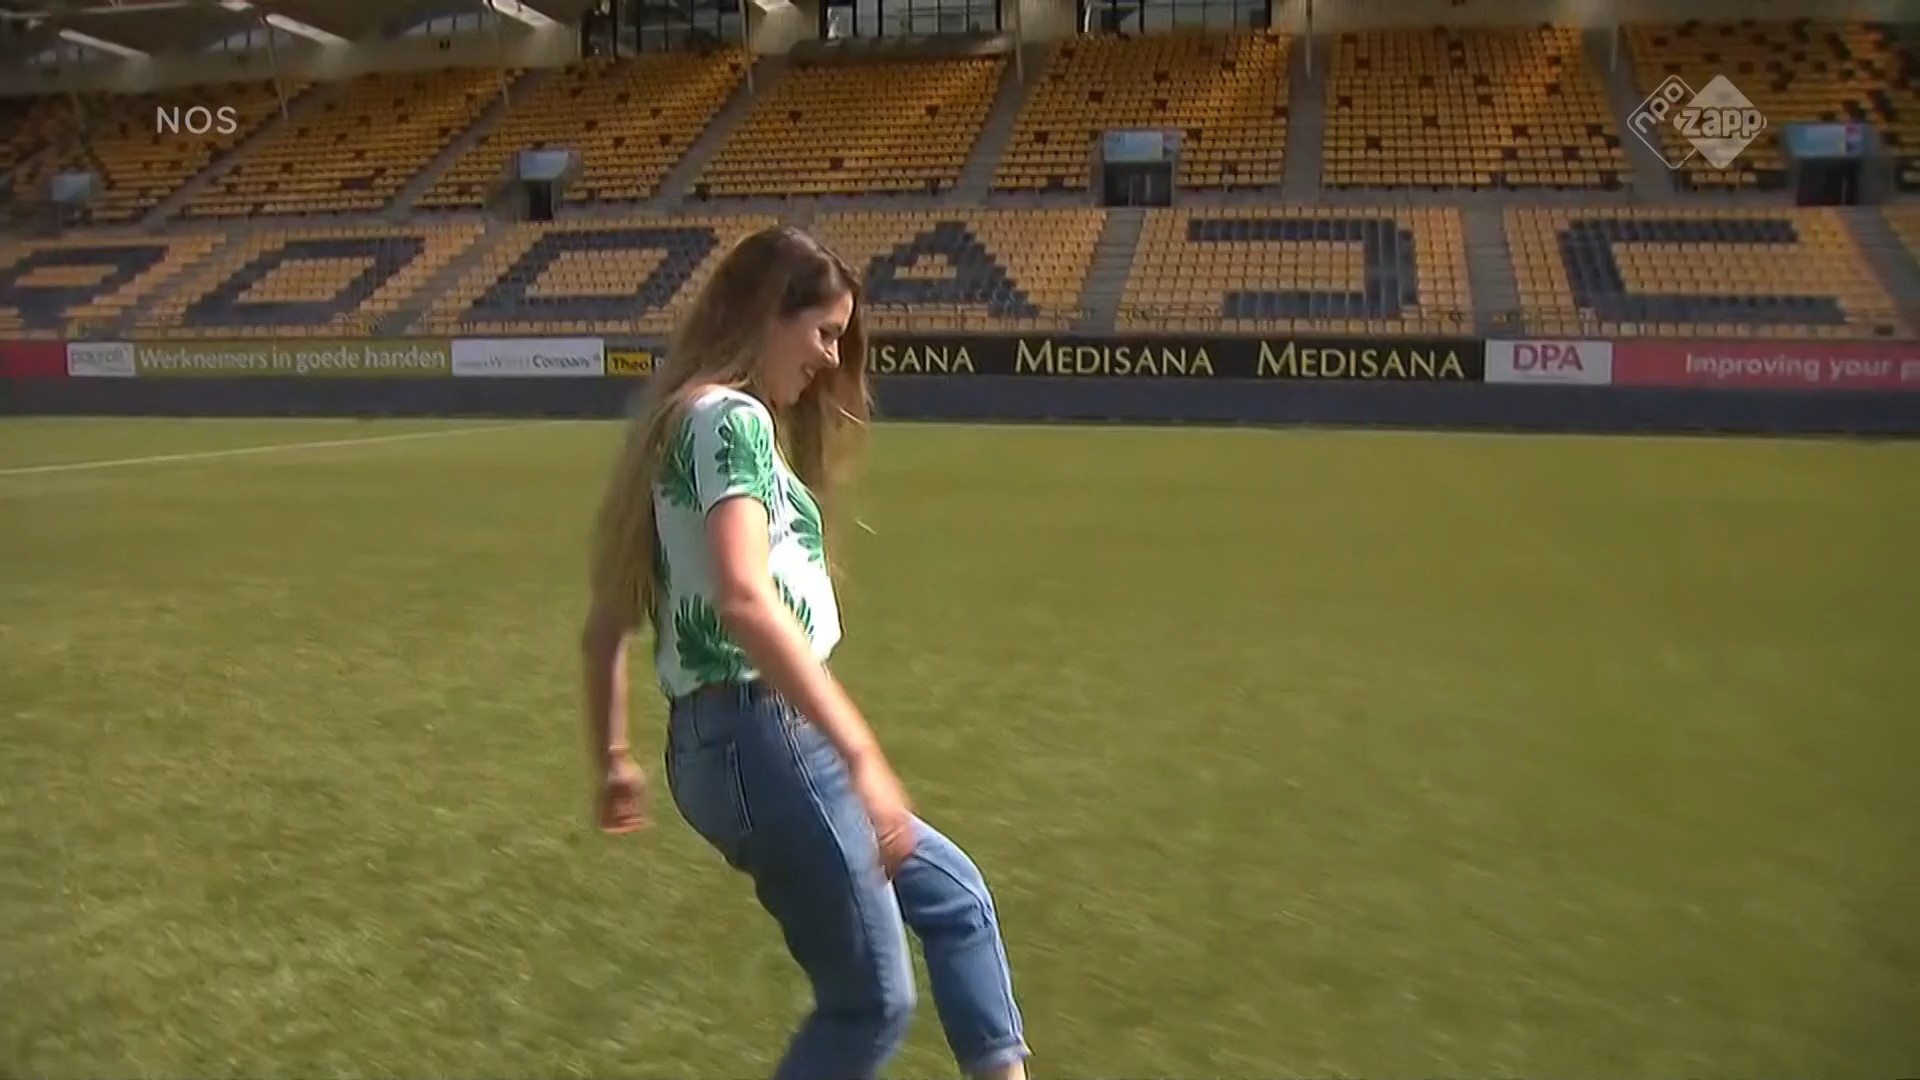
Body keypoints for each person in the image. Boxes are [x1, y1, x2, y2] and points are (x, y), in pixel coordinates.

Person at [579, 225, 1031, 1080]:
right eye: (823, 332)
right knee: (869, 1004)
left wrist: (614, 760)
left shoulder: (675, 426)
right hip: (766, 739)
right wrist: (862, 753)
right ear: (766, 314)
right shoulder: (732, 421)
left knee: (956, 900)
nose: (829, 358)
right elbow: (745, 600)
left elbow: (605, 627)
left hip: (722, 747)